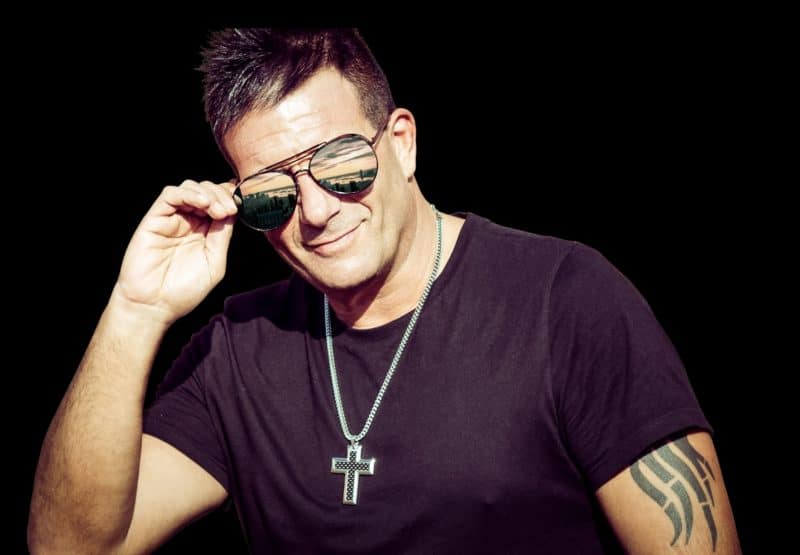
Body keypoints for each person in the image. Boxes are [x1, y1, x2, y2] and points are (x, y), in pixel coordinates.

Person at [28, 28, 741, 554]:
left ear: (401, 143)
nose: (315, 210)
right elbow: (69, 548)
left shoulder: (567, 301)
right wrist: (136, 310)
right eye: (273, 193)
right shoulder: (236, 352)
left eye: (340, 163)